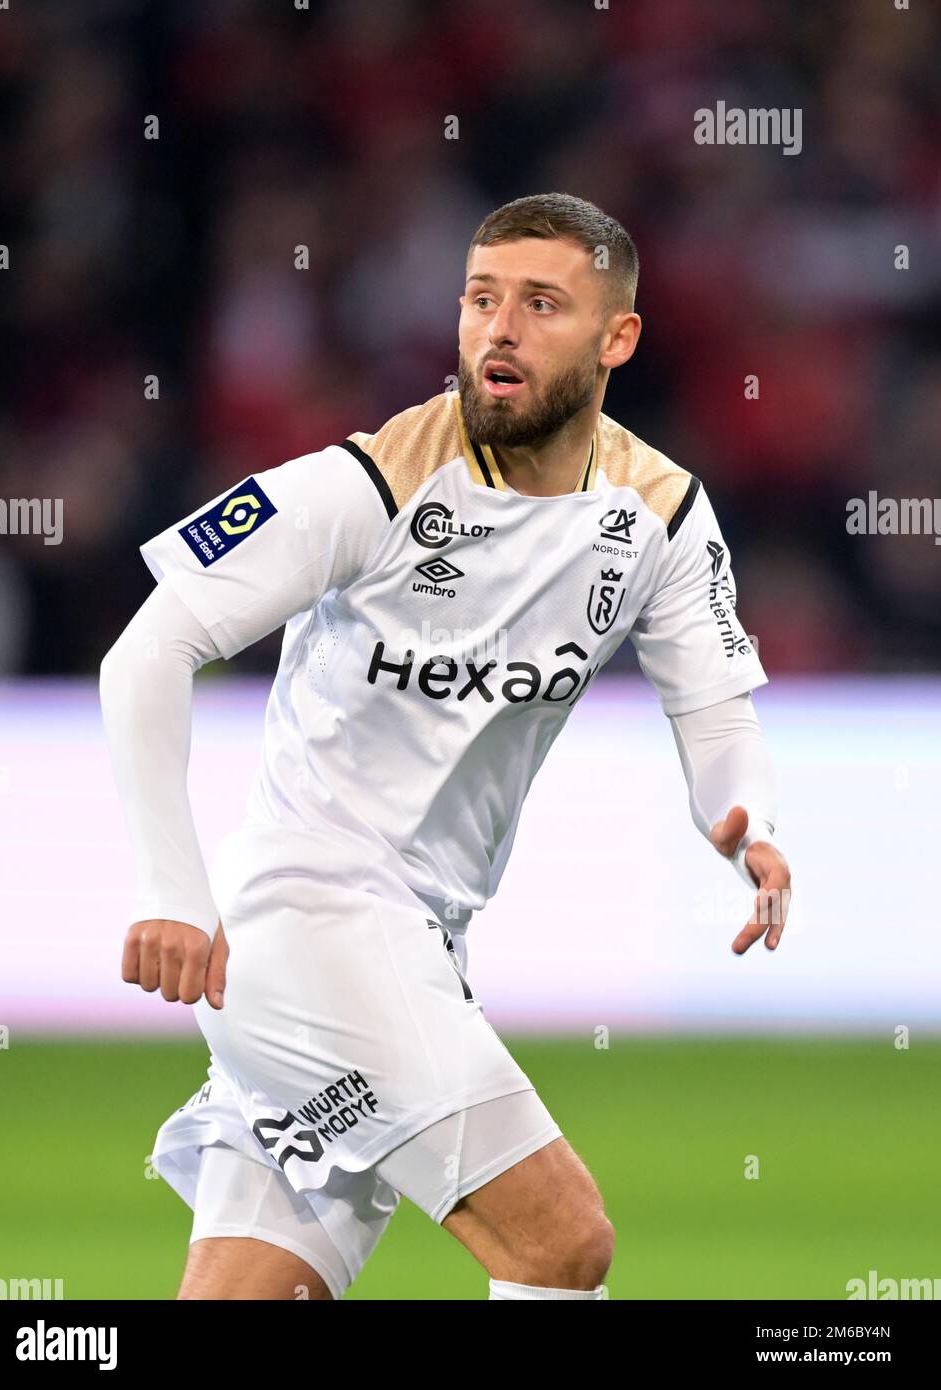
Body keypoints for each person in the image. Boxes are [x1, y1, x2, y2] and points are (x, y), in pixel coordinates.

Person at [99, 192, 791, 1302]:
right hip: (309, 926)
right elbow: (146, 654)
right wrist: (170, 889)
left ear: (617, 339)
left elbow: (715, 705)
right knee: (562, 1243)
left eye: (540, 304)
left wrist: (749, 821)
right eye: (480, 299)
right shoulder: (370, 481)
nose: (498, 329)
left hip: (419, 944)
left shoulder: (659, 514)